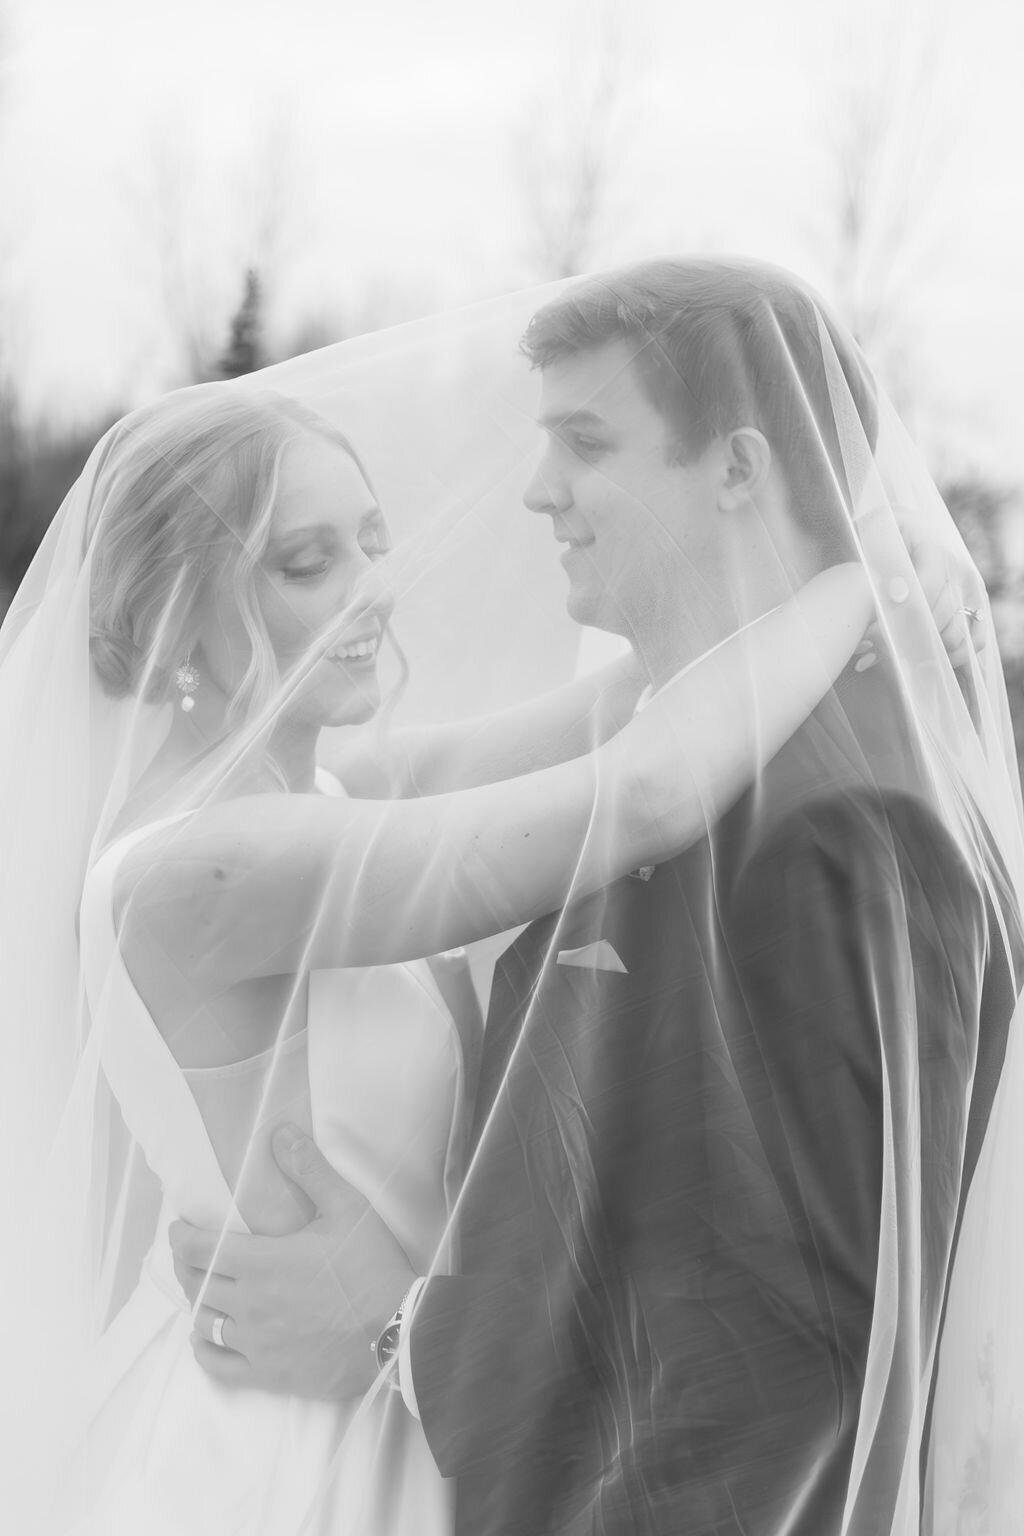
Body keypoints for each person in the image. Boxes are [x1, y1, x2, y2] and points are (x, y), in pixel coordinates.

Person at [170, 260, 1024, 1535]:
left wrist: (399, 1332)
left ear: (736, 468)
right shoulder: (660, 759)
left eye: (584, 440)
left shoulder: (847, 827)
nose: (534, 490)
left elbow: (805, 1363)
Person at [0, 364, 880, 1532]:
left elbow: (620, 701)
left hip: (381, 1396)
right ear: (176, 610)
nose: (375, 592)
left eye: (372, 543)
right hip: (266, 1450)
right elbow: (646, 792)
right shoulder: (200, 873)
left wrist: (799, 558)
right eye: (309, 563)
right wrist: (873, 591)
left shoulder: (329, 787)